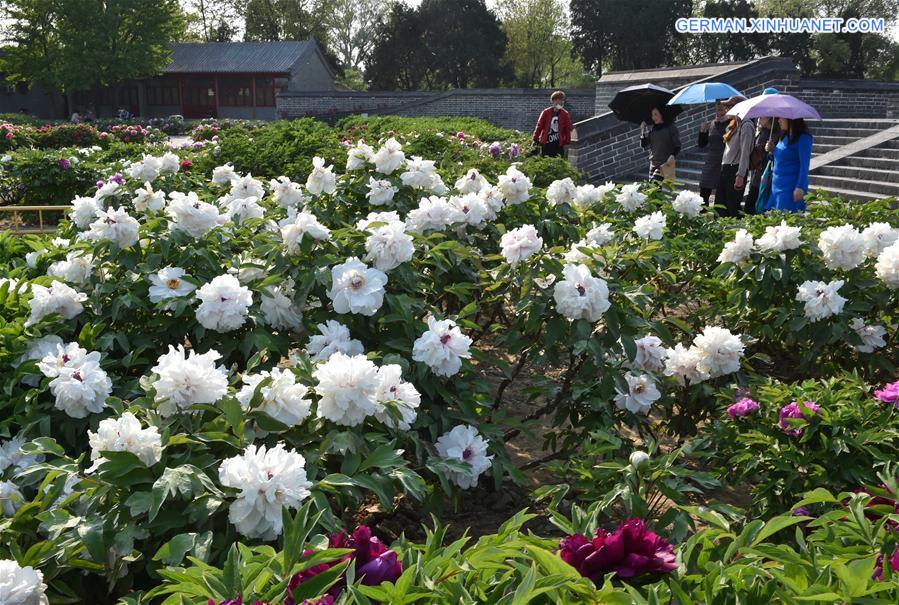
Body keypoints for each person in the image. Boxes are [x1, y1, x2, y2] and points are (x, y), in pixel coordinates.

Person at [716, 95, 754, 217]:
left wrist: (741, 175)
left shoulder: (746, 125)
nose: (726, 109)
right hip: (726, 168)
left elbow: (745, 153)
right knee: (720, 206)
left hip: (735, 169)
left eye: (729, 106)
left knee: (732, 208)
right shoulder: (734, 124)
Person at [767, 118, 813, 212]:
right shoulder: (784, 136)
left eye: (781, 118)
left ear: (790, 119)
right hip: (776, 187)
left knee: (786, 222)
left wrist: (800, 187)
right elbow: (781, 158)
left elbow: (804, 166)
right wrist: (772, 150)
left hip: (790, 189)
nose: (778, 120)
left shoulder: (803, 138)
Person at [744, 117, 780, 214]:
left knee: (759, 205)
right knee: (749, 206)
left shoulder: (777, 133)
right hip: (757, 172)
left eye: (762, 116)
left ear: (769, 118)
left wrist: (771, 149)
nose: (759, 118)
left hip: (767, 175)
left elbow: (775, 155)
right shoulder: (761, 131)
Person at [697, 99, 728, 205]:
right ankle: (702, 217)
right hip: (710, 162)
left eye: (722, 104)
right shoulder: (711, 124)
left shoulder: (731, 124)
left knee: (721, 195)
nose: (719, 106)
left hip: (723, 162)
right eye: (717, 104)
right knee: (703, 193)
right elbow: (702, 144)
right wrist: (702, 131)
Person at [640, 107, 681, 181]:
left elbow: (677, 146)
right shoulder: (653, 130)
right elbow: (644, 145)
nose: (653, 117)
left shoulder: (671, 128)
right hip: (653, 164)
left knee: (664, 188)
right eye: (652, 115)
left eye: (656, 114)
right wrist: (642, 130)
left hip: (666, 163)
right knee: (654, 190)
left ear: (662, 114)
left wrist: (672, 156)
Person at [532, 90, 572, 157]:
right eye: (560, 100)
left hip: (559, 144)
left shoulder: (565, 114)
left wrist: (567, 142)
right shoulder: (546, 112)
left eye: (563, 100)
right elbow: (539, 126)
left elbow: (568, 129)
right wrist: (535, 139)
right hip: (546, 143)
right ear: (554, 101)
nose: (562, 102)